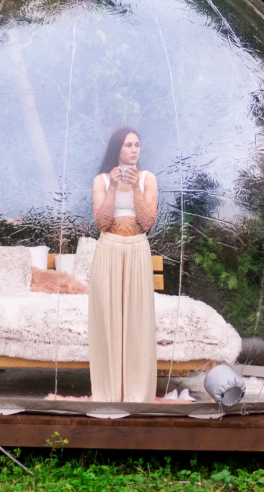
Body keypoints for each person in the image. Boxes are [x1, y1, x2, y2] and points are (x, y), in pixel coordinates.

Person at [88, 127, 159, 402]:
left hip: (137, 249)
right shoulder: (102, 180)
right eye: (128, 145)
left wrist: (134, 187)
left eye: (137, 145)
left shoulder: (148, 179)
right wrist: (116, 187)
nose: (134, 149)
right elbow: (102, 222)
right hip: (109, 250)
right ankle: (108, 394)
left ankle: (137, 395)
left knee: (137, 321)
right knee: (108, 320)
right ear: (117, 148)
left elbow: (148, 222)